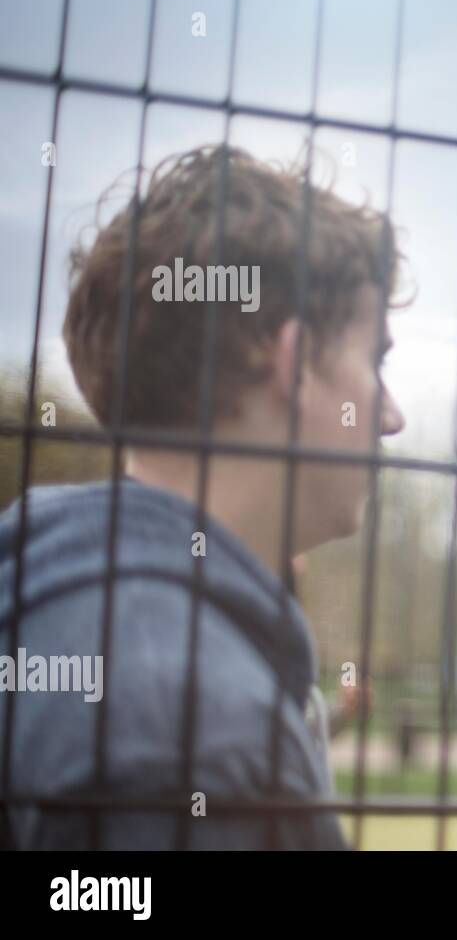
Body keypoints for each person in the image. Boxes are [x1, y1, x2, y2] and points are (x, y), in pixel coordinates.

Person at [0, 145, 406, 848]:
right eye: (375, 360)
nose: (393, 415)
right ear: (294, 362)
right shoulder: (187, 726)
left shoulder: (54, 598)